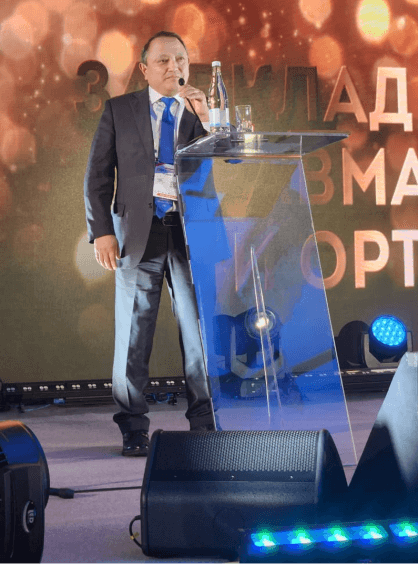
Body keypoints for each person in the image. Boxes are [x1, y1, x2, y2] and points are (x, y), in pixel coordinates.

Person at [84, 30, 215, 457]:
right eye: (163, 60)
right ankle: (133, 426)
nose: (174, 67)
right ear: (144, 68)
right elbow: (97, 176)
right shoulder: (119, 110)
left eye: (181, 59)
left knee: (200, 333)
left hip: (192, 230)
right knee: (134, 333)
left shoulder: (199, 111)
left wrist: (208, 118)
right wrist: (102, 231)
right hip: (138, 231)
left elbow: (230, 155)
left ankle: (205, 421)